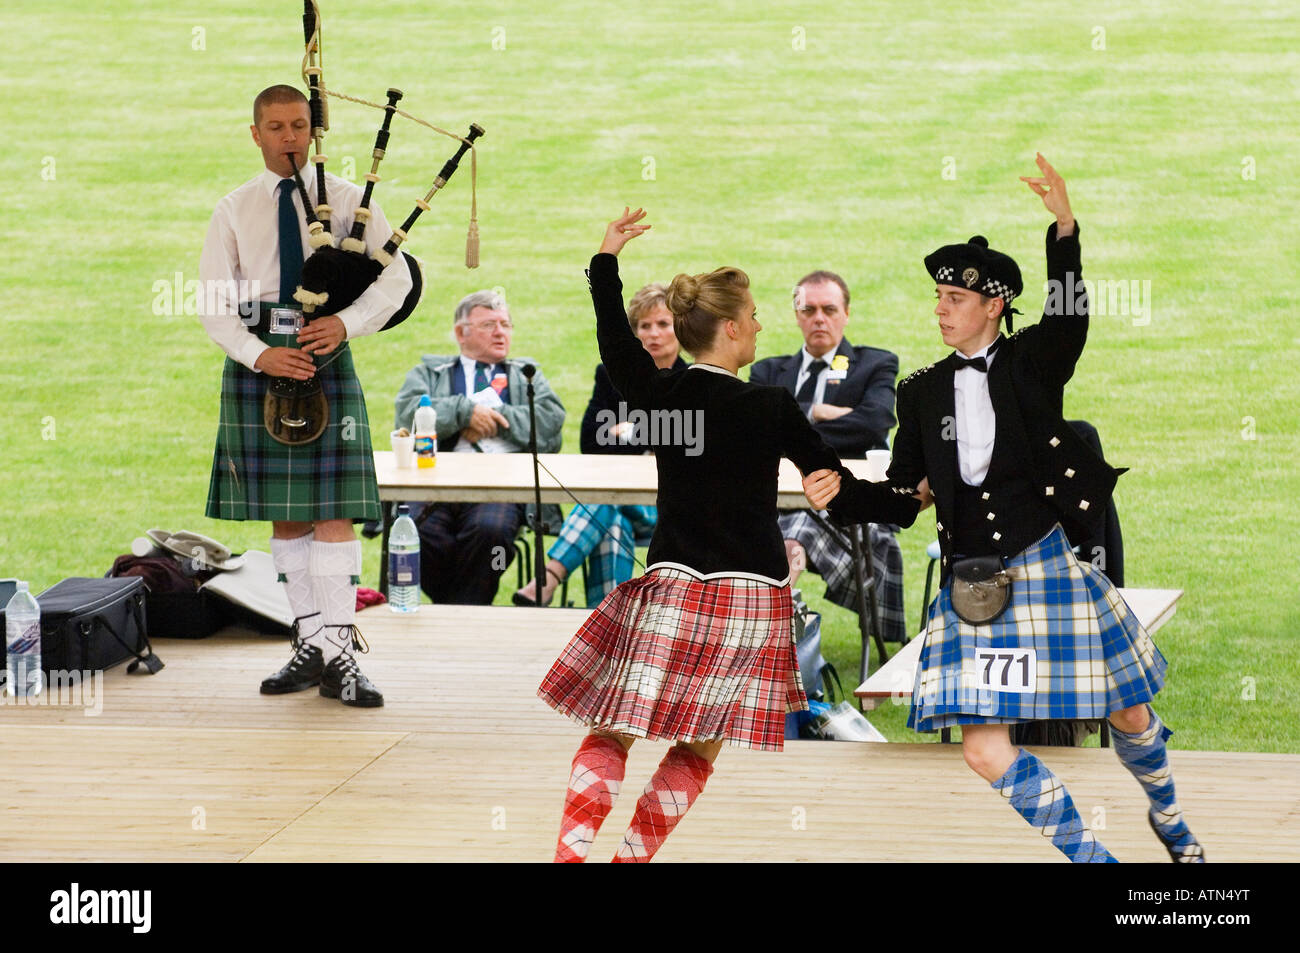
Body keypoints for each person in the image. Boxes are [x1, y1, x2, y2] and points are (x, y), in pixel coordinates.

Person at [804, 155, 1204, 863]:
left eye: (953, 296)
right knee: (985, 750)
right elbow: (906, 495)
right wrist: (843, 490)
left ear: (992, 304)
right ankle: (1093, 857)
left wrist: (1064, 229)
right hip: (974, 588)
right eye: (936, 295)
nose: (939, 307)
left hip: (1048, 569)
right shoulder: (921, 393)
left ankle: (1170, 817)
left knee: (1129, 710)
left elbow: (1070, 315)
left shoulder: (1029, 364)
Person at [538, 209, 922, 862]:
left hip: (673, 585)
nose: (763, 327)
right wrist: (911, 498)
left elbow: (615, 342)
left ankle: (570, 858)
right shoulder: (769, 406)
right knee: (699, 745)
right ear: (732, 328)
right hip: (752, 600)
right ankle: (631, 859)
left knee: (611, 732)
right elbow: (841, 491)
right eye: (755, 317)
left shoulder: (663, 395)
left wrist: (606, 262)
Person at [200, 85, 412, 708]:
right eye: (275, 126)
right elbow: (214, 302)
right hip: (261, 359)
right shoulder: (234, 209)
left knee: (333, 510)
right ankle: (309, 644)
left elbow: (397, 277)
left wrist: (348, 323)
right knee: (288, 512)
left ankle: (342, 655)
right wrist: (258, 354)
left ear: (313, 130)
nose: (289, 136)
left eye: (299, 125)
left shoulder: (349, 201)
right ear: (255, 132)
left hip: (325, 353)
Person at [749, 271, 907, 642]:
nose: (819, 318)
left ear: (846, 314)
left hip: (848, 501)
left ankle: (773, 623)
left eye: (829, 309)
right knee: (788, 524)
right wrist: (823, 412)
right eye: (810, 309)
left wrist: (790, 427)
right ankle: (779, 620)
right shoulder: (768, 371)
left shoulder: (875, 364)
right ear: (797, 314)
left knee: (798, 529)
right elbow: (755, 430)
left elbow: (874, 422)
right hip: (779, 501)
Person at [514, 282, 687, 607]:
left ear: (679, 328)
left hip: (669, 508)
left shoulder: (695, 381)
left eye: (663, 324)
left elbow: (690, 442)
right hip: (621, 498)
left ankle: (549, 579)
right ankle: (616, 626)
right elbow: (592, 441)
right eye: (644, 326)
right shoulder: (611, 376)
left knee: (601, 504)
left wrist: (633, 431)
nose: (653, 333)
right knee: (611, 519)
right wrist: (654, 436)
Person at [393, 291, 565, 604]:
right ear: (462, 333)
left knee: (491, 533)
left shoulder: (526, 375)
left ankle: (458, 610)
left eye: (506, 324)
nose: (501, 332)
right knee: (414, 531)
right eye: (489, 325)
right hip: (434, 482)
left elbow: (551, 424)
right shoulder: (429, 375)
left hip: (501, 485)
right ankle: (464, 606)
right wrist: (464, 412)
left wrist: (494, 419)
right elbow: (408, 416)